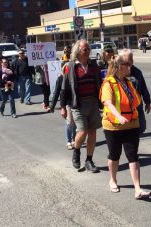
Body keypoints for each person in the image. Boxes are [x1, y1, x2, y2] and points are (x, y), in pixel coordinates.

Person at [100, 49, 150, 199]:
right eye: (128, 64)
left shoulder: (129, 82)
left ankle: (137, 188)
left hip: (131, 125)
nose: (131, 67)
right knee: (114, 156)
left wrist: (143, 102)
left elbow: (137, 101)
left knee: (133, 156)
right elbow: (108, 103)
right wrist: (119, 116)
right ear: (120, 66)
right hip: (113, 126)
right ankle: (113, 180)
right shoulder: (108, 83)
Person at [60, 39, 102, 172]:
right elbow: (64, 89)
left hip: (93, 102)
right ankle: (76, 152)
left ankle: (89, 160)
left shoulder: (94, 65)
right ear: (78, 51)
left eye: (88, 49)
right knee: (82, 131)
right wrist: (62, 107)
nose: (88, 51)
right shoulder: (70, 66)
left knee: (93, 131)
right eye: (85, 49)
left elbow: (100, 84)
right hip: (78, 104)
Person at [125, 51, 151, 134]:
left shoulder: (137, 72)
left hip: (137, 105)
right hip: (125, 107)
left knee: (142, 127)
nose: (130, 61)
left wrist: (147, 102)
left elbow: (143, 88)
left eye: (131, 59)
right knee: (129, 130)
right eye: (128, 59)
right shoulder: (119, 72)